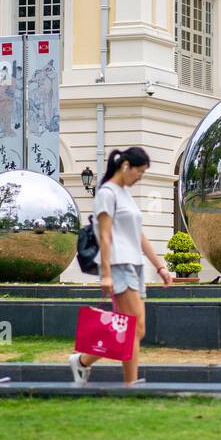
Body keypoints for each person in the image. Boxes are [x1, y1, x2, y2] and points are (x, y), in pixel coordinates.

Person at [69, 146, 173, 385]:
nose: (140, 178)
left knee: (135, 329)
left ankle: (83, 361)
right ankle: (130, 384)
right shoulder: (107, 193)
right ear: (126, 166)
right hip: (117, 265)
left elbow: (139, 235)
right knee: (133, 329)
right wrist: (106, 274)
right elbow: (105, 236)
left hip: (134, 265)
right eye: (140, 172)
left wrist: (160, 267)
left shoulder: (124, 193)